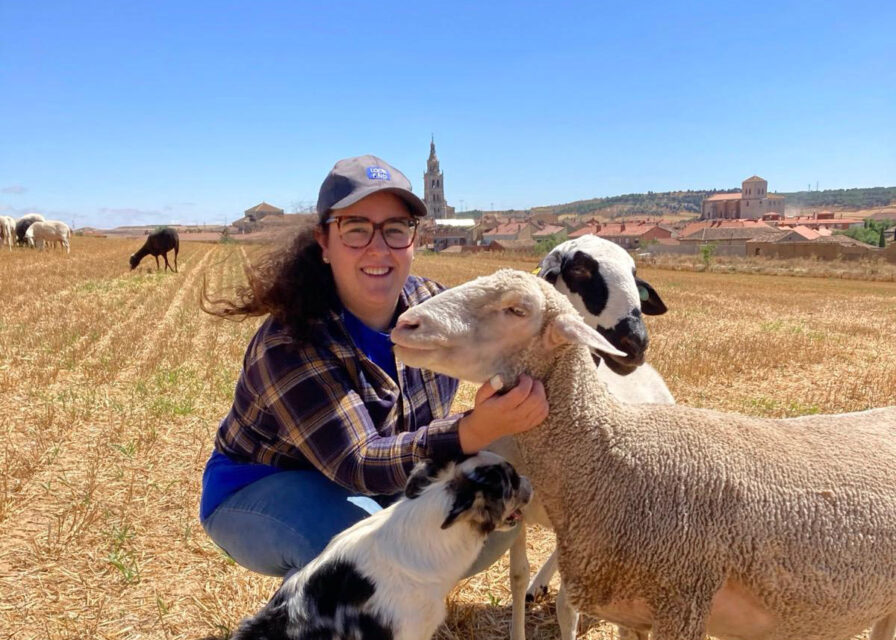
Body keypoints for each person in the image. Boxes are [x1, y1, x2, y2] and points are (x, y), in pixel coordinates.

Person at [199, 154, 548, 577]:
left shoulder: (431, 308)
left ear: (414, 241)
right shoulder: (292, 341)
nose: (378, 248)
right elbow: (358, 462)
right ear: (324, 243)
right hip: (264, 485)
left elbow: (503, 337)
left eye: (395, 229)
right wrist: (474, 430)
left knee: (500, 510)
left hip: (386, 475)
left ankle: (405, 601)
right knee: (361, 556)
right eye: (356, 229)